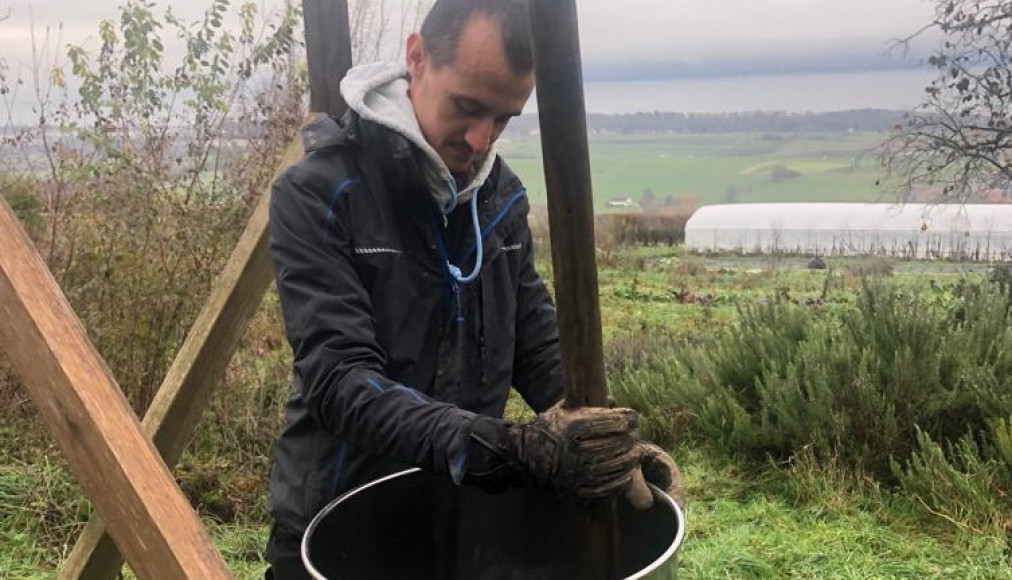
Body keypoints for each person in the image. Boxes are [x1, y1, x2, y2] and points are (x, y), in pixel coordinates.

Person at [264, 0, 683, 577]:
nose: (482, 138)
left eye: (505, 117)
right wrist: (512, 451)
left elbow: (536, 351)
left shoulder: (500, 200)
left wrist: (611, 450)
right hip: (341, 530)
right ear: (417, 58)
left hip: (460, 528)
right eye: (467, 106)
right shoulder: (321, 195)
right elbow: (341, 383)